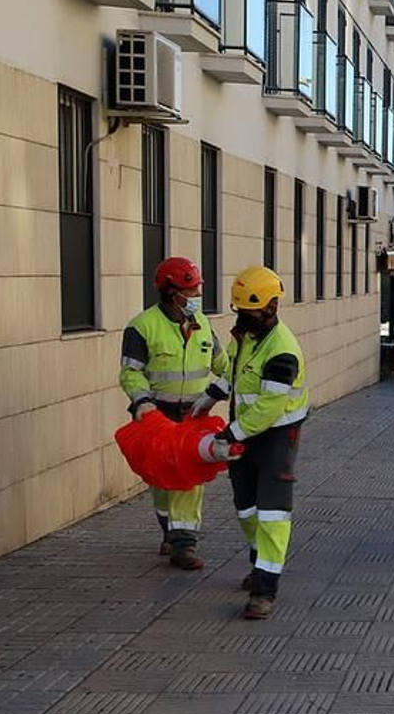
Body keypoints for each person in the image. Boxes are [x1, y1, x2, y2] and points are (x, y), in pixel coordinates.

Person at [207, 266, 308, 620]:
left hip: (277, 437)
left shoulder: (283, 351)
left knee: (271, 513)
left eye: (248, 312)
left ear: (271, 308)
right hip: (245, 434)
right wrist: (208, 399)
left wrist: (230, 434)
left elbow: (268, 407)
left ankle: (265, 589)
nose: (242, 318)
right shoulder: (246, 337)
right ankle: (258, 561)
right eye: (239, 311)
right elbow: (233, 374)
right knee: (245, 508)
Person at [119, 257, 230, 570]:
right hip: (157, 417)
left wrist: (220, 389)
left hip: (193, 417)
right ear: (171, 292)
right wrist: (142, 401)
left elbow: (225, 363)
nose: (196, 296)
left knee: (189, 481)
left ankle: (184, 545)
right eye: (190, 291)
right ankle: (170, 532)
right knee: (161, 482)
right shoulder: (142, 326)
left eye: (197, 290)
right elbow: (131, 373)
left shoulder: (203, 325)